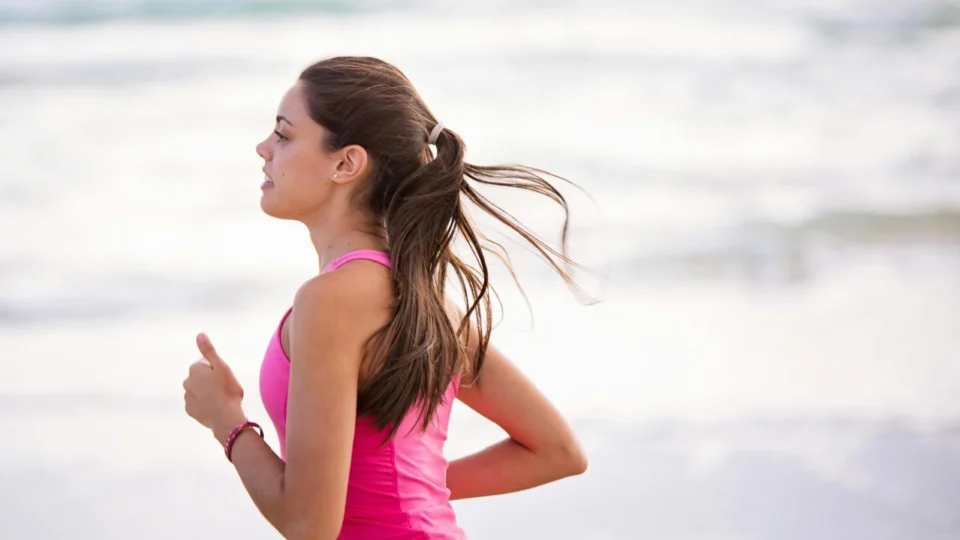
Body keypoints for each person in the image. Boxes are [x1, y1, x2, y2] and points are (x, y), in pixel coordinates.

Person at [182, 56, 589, 540]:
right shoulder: (424, 301)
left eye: (284, 135)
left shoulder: (331, 301)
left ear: (346, 163)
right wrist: (413, 491)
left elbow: (309, 525)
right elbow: (556, 451)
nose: (263, 148)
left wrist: (227, 420)